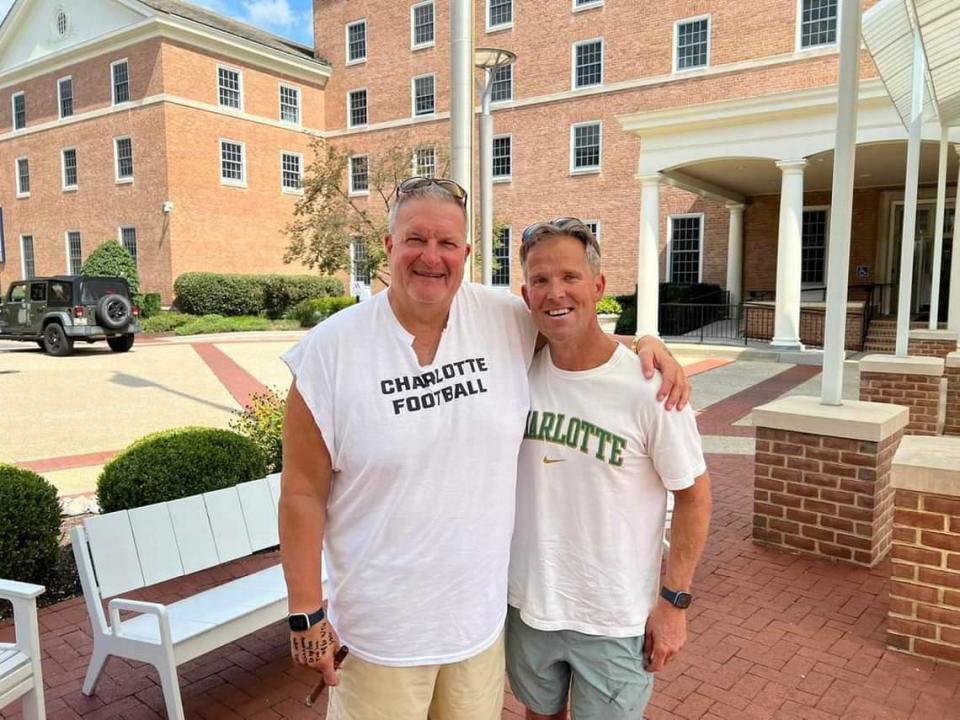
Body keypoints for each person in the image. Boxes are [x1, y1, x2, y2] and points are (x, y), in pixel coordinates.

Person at [278, 177, 691, 720]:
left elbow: (574, 323)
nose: (431, 256)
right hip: (381, 633)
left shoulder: (504, 318)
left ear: (466, 254)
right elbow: (302, 493)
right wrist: (306, 612)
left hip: (478, 630)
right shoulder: (329, 351)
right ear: (389, 246)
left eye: (446, 243)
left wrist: (645, 343)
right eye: (415, 240)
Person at [506, 218, 712, 720]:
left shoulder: (649, 388)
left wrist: (674, 603)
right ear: (525, 292)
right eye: (540, 279)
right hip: (529, 605)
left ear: (598, 286)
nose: (555, 292)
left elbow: (695, 495)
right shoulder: (513, 373)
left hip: (615, 616)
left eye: (570, 277)